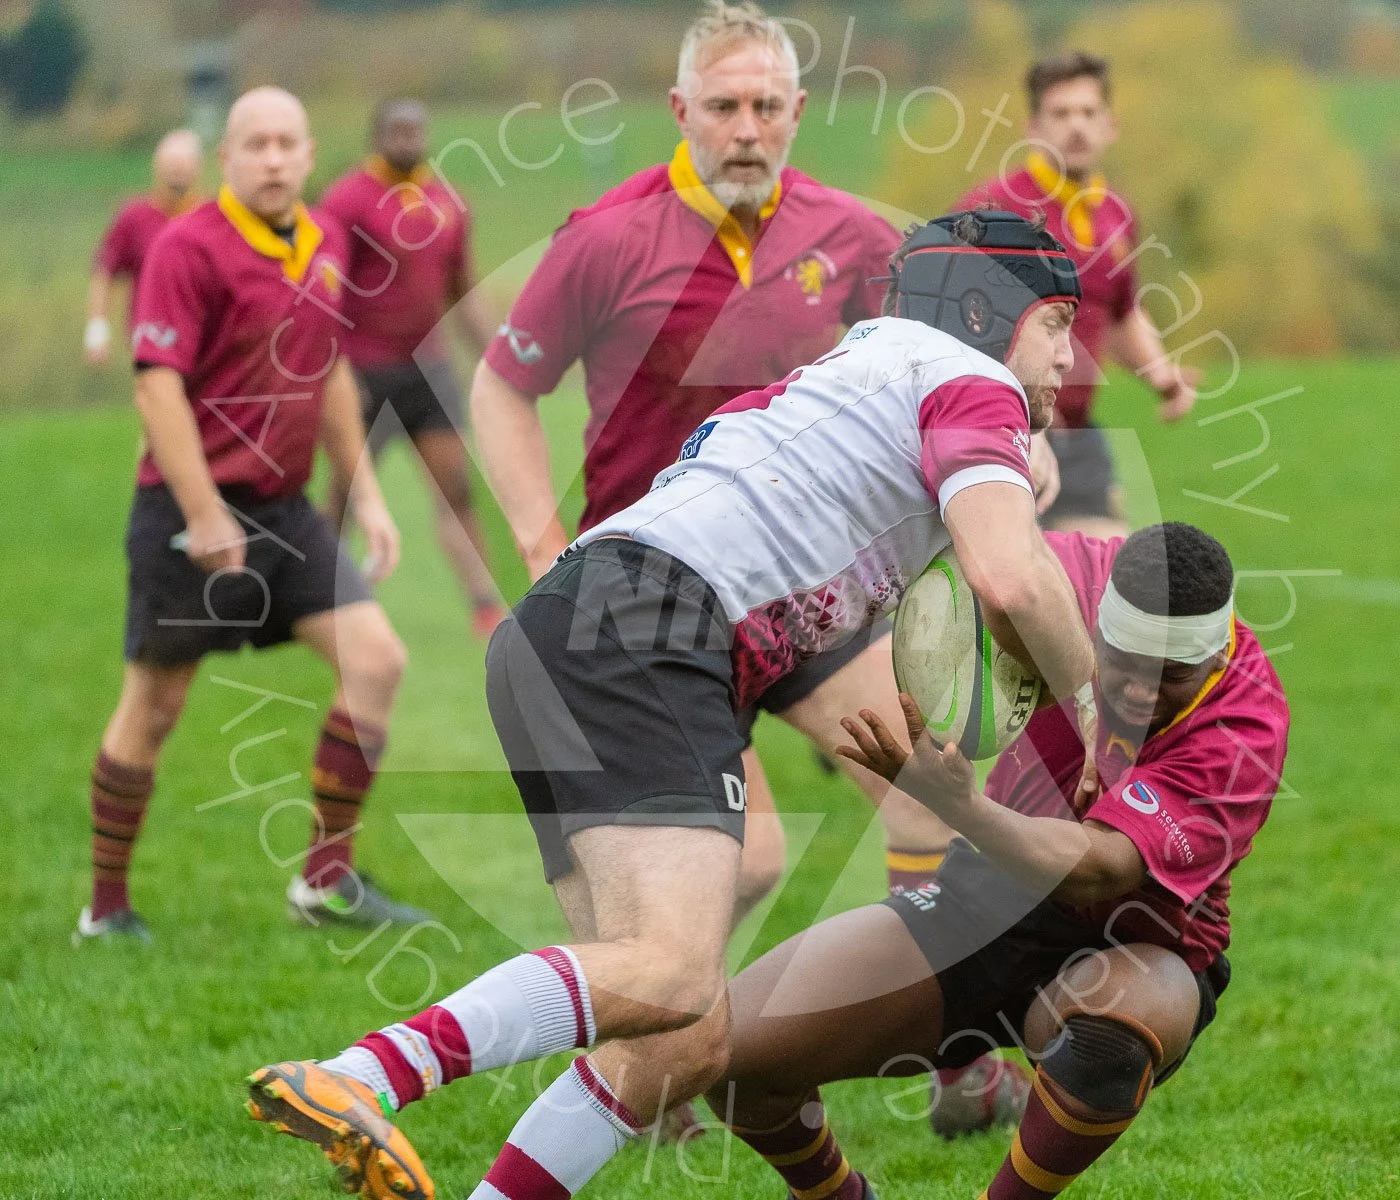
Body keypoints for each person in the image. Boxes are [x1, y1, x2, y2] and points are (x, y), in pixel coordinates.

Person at [245, 209, 1094, 1200]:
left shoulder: (866, 364)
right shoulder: (969, 380)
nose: (1071, 359)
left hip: (570, 625)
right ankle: (365, 1076)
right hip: (649, 629)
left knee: (677, 1034)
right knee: (676, 972)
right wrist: (1096, 709)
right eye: (1059, 324)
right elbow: (1012, 582)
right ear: (994, 316)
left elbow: (927, 584)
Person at [470, 0, 961, 924]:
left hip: (800, 582)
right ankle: (710, 1059)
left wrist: (997, 448)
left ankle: (950, 1057)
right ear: (680, 110)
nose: (747, 131)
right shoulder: (604, 239)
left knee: (933, 792)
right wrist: (542, 546)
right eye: (725, 107)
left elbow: (923, 371)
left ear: (799, 112)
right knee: (747, 865)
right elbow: (501, 390)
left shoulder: (852, 236)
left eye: (767, 108)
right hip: (652, 595)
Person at [707, 521, 1289, 1200]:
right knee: (731, 1056)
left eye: (1171, 677)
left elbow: (1101, 868)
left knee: (1112, 1039)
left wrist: (963, 807)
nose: (1137, 691)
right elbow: (970, 543)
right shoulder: (1060, 579)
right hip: (986, 898)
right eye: (1123, 660)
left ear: (1215, 654)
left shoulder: (1244, 725)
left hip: (1138, 940)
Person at [75, 87, 429, 945]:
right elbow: (155, 385)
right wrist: (202, 514)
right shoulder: (185, 248)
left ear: (309, 155)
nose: (272, 159)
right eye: (255, 144)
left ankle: (325, 882)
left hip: (286, 512)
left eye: (286, 144)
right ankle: (107, 910)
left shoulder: (325, 242)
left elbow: (330, 373)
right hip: (185, 511)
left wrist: (369, 494)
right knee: (155, 707)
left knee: (377, 661)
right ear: (226, 158)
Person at [956, 51, 1198, 539]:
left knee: (1107, 581)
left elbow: (1123, 313)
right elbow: (941, 322)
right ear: (1033, 126)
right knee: (1006, 600)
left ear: (1111, 125)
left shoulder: (1117, 214)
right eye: (1061, 114)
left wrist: (1164, 377)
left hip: (1079, 434)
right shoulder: (992, 210)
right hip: (1000, 433)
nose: (1077, 127)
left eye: (1089, 113)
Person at [320, 100, 507, 639]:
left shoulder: (448, 201)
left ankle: (485, 606)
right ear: (376, 135)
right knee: (345, 492)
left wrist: (499, 357)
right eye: (396, 131)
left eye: (415, 131)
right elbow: (324, 286)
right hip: (362, 371)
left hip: (429, 369)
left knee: (457, 489)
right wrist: (325, 363)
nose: (408, 140)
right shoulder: (347, 199)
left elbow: (461, 292)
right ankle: (316, 598)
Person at [84, 129, 203, 366]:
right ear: (156, 167)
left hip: (202, 334)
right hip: (151, 335)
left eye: (183, 163)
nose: (176, 171)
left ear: (197, 166)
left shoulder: (210, 216)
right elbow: (105, 270)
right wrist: (96, 330)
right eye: (170, 164)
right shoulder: (135, 217)